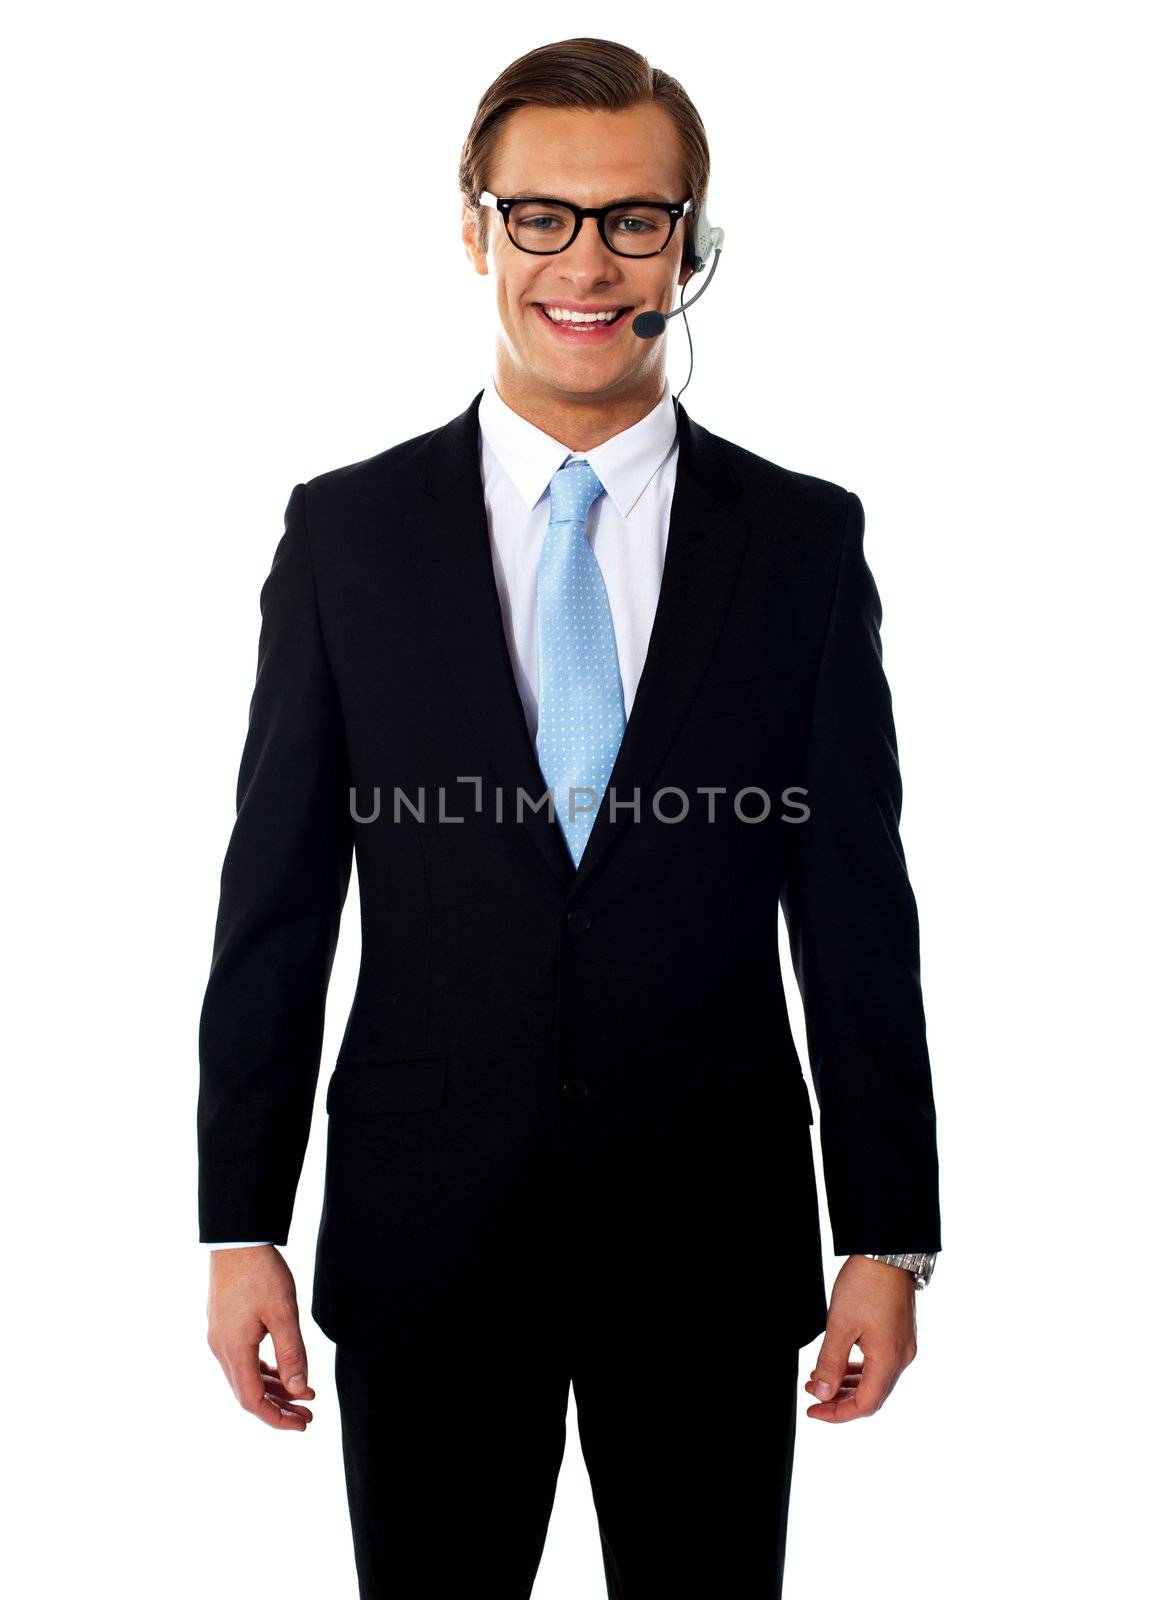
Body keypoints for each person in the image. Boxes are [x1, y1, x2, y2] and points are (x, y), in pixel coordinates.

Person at [199, 35, 942, 1599]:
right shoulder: (347, 537)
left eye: (634, 220)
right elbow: (274, 898)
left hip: (714, 1241)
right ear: (475, 232)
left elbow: (860, 913)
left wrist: (890, 1229)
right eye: (541, 216)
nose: (586, 264)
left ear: (695, 244)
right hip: (426, 1233)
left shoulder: (803, 544)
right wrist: (238, 1221)